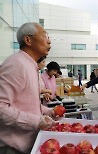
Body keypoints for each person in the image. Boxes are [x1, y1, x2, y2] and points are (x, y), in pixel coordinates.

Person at [0, 22, 56, 154]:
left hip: (28, 143)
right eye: (45, 36)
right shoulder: (16, 65)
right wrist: (36, 121)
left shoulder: (30, 66)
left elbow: (26, 103)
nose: (49, 42)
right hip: (13, 146)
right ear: (28, 40)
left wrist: (49, 112)